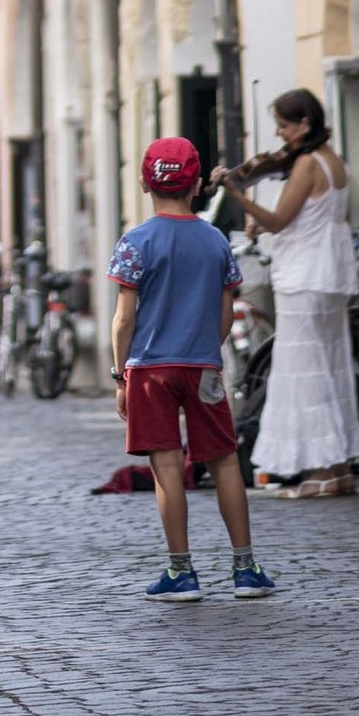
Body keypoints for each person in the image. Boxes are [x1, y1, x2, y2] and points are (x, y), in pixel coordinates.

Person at [110, 138, 276, 602]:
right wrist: (206, 349)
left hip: (149, 371)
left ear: (145, 182)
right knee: (223, 460)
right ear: (199, 184)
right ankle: (245, 568)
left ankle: (181, 572)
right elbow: (225, 313)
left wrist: (118, 374)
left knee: (166, 465)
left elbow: (124, 319)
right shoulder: (216, 240)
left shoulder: (135, 242)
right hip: (202, 363)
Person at [212, 88, 357, 498]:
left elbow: (278, 220)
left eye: (283, 125)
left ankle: (321, 473)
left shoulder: (308, 163)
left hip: (303, 277)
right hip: (327, 277)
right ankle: (339, 467)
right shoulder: (333, 162)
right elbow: (307, 217)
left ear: (304, 123)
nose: (279, 134)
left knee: (305, 373)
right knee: (329, 367)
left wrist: (238, 196)